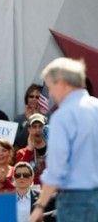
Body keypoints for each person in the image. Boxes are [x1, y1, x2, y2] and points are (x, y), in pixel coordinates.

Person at [30, 58, 98, 222]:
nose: (51, 94)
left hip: (75, 202)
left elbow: (57, 168)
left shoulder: (63, 115)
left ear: (62, 83)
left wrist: (40, 206)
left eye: (51, 87)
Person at [16, 113, 48, 185]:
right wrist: (29, 150)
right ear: (29, 130)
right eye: (34, 127)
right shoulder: (22, 153)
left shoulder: (53, 150)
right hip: (31, 192)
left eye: (40, 126)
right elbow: (20, 174)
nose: (38, 130)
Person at [13, 84, 42, 149]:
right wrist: (30, 121)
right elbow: (19, 143)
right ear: (27, 99)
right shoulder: (18, 119)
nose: (34, 99)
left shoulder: (48, 118)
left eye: (37, 97)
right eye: (31, 96)